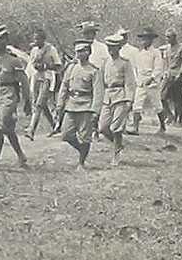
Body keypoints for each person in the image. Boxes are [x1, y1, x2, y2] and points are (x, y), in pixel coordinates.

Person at [0, 24, 32, 171]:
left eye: (1, 40)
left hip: (10, 94)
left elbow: (23, 81)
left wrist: (27, 101)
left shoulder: (13, 60)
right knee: (9, 129)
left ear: (6, 41)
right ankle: (21, 156)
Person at [56, 40, 103, 169]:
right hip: (71, 105)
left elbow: (98, 93)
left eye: (82, 51)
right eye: (77, 51)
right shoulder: (71, 68)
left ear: (88, 53)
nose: (79, 54)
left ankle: (81, 162)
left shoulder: (94, 71)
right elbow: (64, 86)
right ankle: (82, 151)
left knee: (85, 137)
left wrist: (95, 111)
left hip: (86, 106)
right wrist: (60, 104)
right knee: (66, 134)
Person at [98, 33, 136, 166]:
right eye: (108, 47)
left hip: (120, 96)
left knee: (116, 128)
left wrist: (130, 100)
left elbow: (130, 82)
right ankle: (118, 144)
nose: (110, 50)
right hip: (107, 96)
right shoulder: (105, 62)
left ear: (119, 48)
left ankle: (116, 153)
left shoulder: (125, 63)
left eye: (113, 47)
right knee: (103, 127)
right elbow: (101, 81)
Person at [24, 28, 62, 140]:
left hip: (47, 78)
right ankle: (55, 125)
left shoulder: (51, 49)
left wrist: (46, 66)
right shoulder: (34, 50)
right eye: (34, 38)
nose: (35, 41)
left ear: (43, 39)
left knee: (39, 103)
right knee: (40, 104)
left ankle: (31, 129)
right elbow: (30, 65)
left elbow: (58, 66)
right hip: (36, 78)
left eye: (37, 39)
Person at [129, 27, 166, 135]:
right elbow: (136, 68)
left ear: (151, 40)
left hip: (152, 82)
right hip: (141, 81)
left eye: (147, 39)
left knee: (157, 105)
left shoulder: (156, 52)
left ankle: (162, 126)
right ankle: (135, 128)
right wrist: (137, 79)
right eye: (143, 39)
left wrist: (152, 78)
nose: (144, 41)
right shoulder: (139, 54)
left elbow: (159, 67)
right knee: (137, 105)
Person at [162, 28, 182, 126]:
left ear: (174, 37)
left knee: (178, 99)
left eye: (169, 37)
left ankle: (179, 120)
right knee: (162, 96)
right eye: (166, 37)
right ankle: (170, 115)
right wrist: (164, 73)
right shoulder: (167, 48)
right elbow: (165, 62)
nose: (167, 39)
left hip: (178, 75)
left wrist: (181, 73)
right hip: (169, 75)